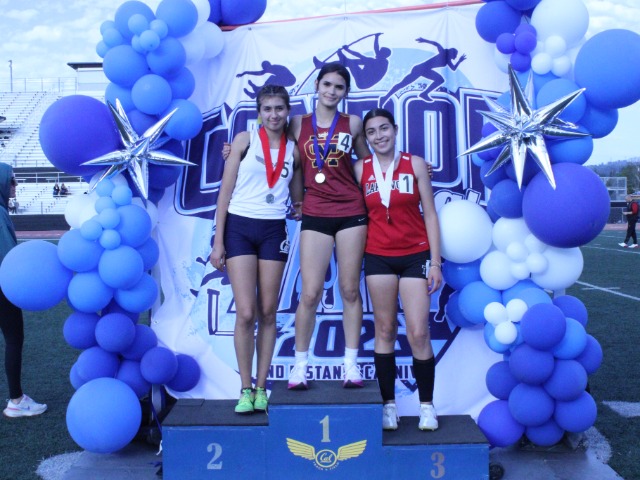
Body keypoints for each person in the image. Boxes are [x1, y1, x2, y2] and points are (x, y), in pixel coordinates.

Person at [210, 85, 303, 414]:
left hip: (273, 230)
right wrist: (218, 241)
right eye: (267, 109)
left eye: (279, 108)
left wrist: (303, 206)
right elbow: (224, 193)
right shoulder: (244, 141)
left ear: (287, 111)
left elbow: (297, 198)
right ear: (259, 112)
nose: (274, 115)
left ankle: (262, 388)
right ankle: (245, 388)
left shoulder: (294, 150)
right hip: (239, 227)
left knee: (268, 312)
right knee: (246, 312)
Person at [353, 108, 442, 431]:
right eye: (372, 132)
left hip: (415, 254)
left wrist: (435, 261)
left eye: (384, 128)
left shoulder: (415, 164)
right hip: (378, 255)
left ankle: (427, 406)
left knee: (418, 331)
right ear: (366, 138)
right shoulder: (360, 169)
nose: (379, 136)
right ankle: (388, 405)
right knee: (385, 330)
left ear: (395, 129)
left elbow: (430, 214)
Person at [287, 62, 371, 390]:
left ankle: (350, 364)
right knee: (310, 293)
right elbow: (283, 157)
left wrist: (408, 167)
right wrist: (235, 149)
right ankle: (300, 366)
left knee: (349, 289)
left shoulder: (353, 123)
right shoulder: (298, 123)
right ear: (317, 85)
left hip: (351, 210)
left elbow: (368, 163)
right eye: (327, 85)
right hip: (316, 212)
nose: (332, 91)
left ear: (345, 92)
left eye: (339, 87)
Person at [1, 167, 47, 418]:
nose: (15, 186)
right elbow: (9, 259)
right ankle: (16, 400)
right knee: (13, 339)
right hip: (2, 288)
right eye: (11, 181)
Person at [379, 37, 467, 106]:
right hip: (419, 69)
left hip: (426, 70)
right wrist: (424, 40)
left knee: (440, 80)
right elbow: (437, 44)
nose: (455, 57)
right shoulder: (443, 53)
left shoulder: (448, 61)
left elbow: (453, 69)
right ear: (451, 53)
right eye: (455, 55)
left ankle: (424, 93)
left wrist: (459, 61)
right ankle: (385, 97)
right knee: (402, 84)